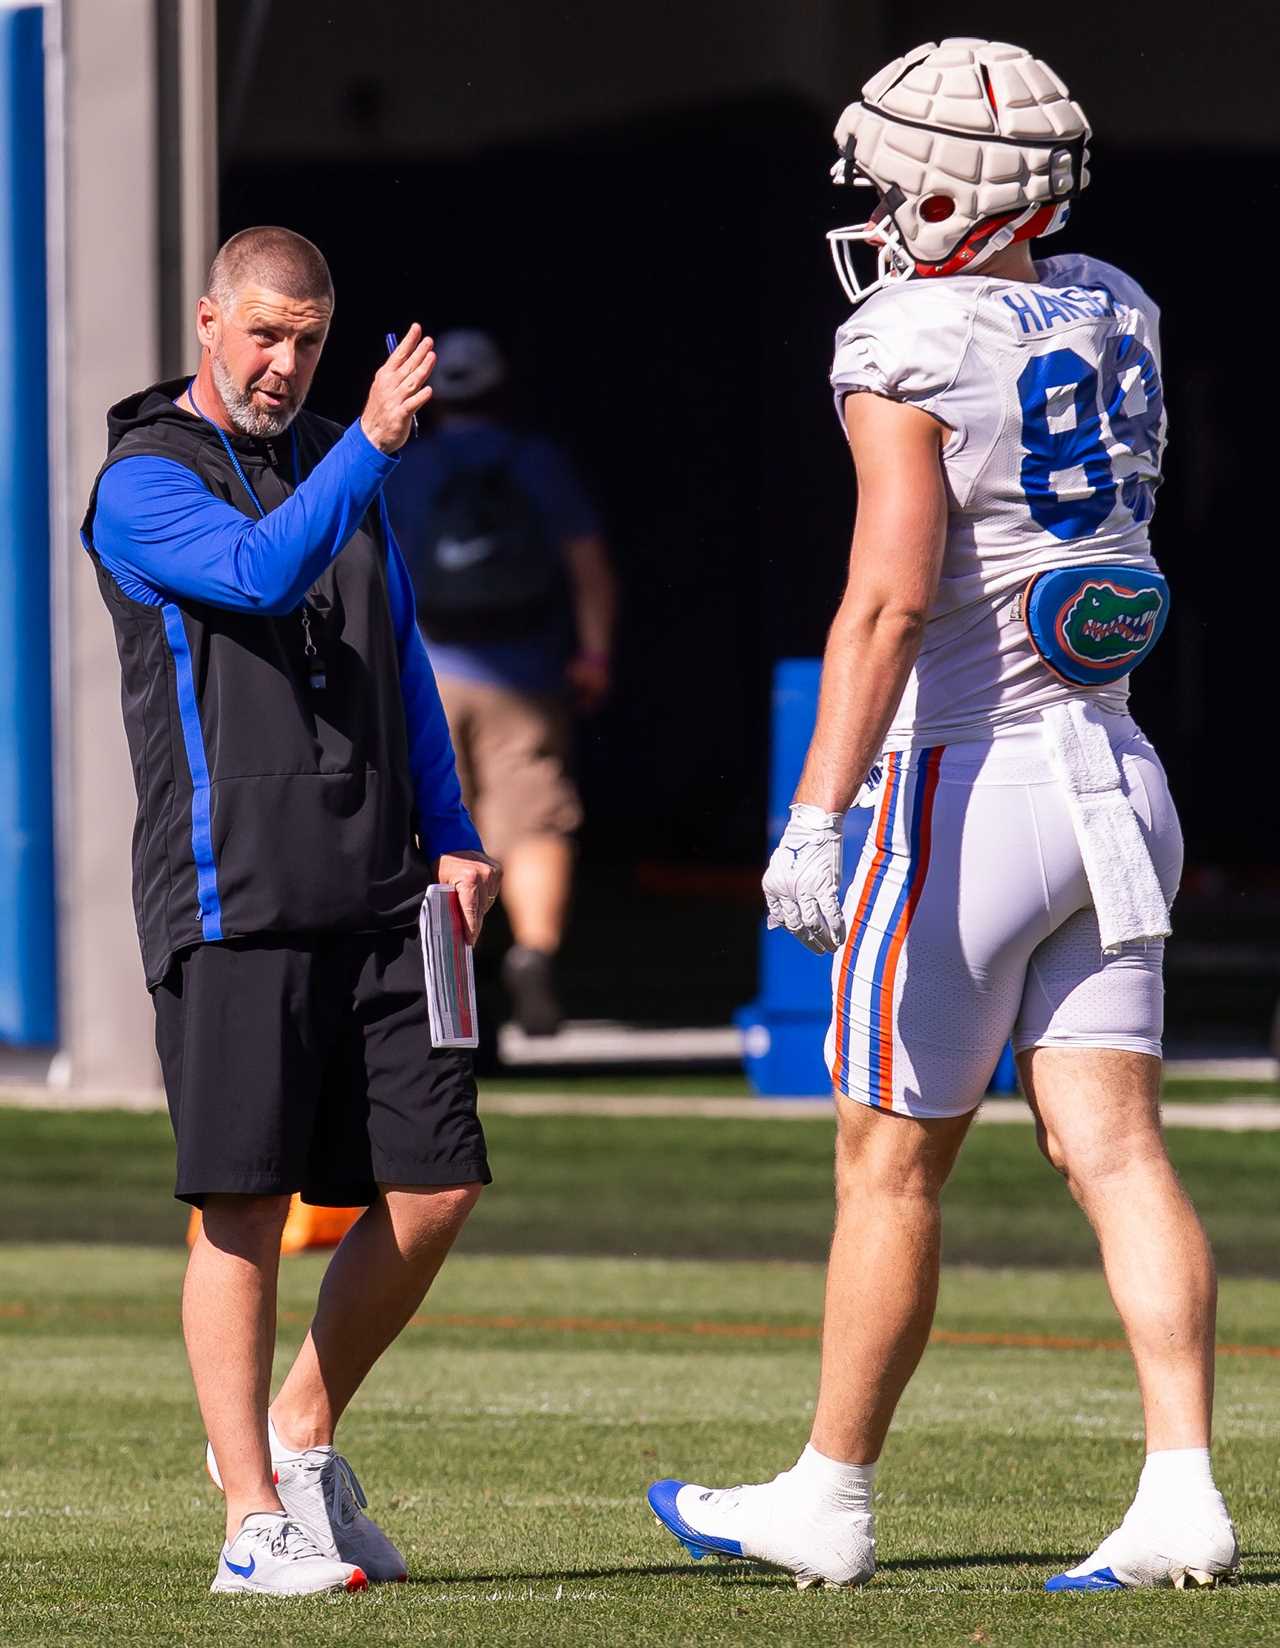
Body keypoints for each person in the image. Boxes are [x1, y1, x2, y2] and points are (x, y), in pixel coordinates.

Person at [648, 40, 1239, 1593]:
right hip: (1116, 771)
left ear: (943, 190)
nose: (869, 209)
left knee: (889, 1166)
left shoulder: (905, 334)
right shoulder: (1117, 301)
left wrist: (816, 809)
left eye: (889, 181)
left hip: (969, 782)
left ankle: (828, 1501)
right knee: (1118, 1153)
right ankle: (1185, 1488)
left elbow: (891, 596)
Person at [82, 226, 502, 1598]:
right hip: (236, 895)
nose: (285, 361)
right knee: (244, 1208)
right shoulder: (141, 480)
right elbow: (261, 573)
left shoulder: (338, 456)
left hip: (386, 888)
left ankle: (301, 1429)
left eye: (309, 338)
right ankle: (250, 1527)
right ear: (208, 320)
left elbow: (401, 655)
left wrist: (453, 832)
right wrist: (371, 443)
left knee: (436, 1185)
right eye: (262, 332)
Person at [386, 330, 615, 1036]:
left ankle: (447, 982)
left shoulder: (402, 465)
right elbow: (588, 563)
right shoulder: (536, 461)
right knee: (536, 818)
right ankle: (534, 955)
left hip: (428, 673)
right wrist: (595, 655)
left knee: (433, 825)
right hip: (526, 671)